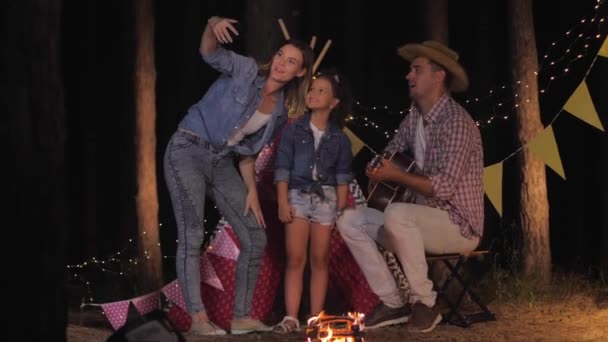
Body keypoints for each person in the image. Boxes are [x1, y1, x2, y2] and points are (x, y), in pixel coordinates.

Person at [163, 15, 313, 336]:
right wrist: (211, 24)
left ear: (300, 72)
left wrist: (252, 192)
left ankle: (241, 317)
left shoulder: (280, 111)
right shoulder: (246, 70)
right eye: (280, 57)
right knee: (192, 233)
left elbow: (246, 152)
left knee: (255, 236)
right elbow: (210, 52)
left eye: (291, 62)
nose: (282, 65)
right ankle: (198, 319)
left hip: (221, 162)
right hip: (187, 148)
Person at [337, 40, 484, 333]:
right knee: (350, 219)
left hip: (458, 226)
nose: (409, 76)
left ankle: (424, 305)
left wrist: (396, 175)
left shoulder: (456, 122)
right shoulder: (415, 116)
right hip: (416, 222)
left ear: (438, 76)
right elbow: (392, 151)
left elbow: (442, 187)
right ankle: (394, 302)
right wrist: (377, 168)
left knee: (398, 214)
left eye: (416, 69)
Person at [272, 70, 354, 333]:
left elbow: (343, 177)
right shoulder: (293, 129)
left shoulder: (339, 138)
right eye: (312, 89)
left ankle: (315, 317)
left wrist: (340, 210)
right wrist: (283, 201)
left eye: (321, 91)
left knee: (320, 259)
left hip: (326, 200)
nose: (314, 93)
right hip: (297, 195)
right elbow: (282, 167)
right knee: (295, 257)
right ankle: (290, 316)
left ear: (333, 103)